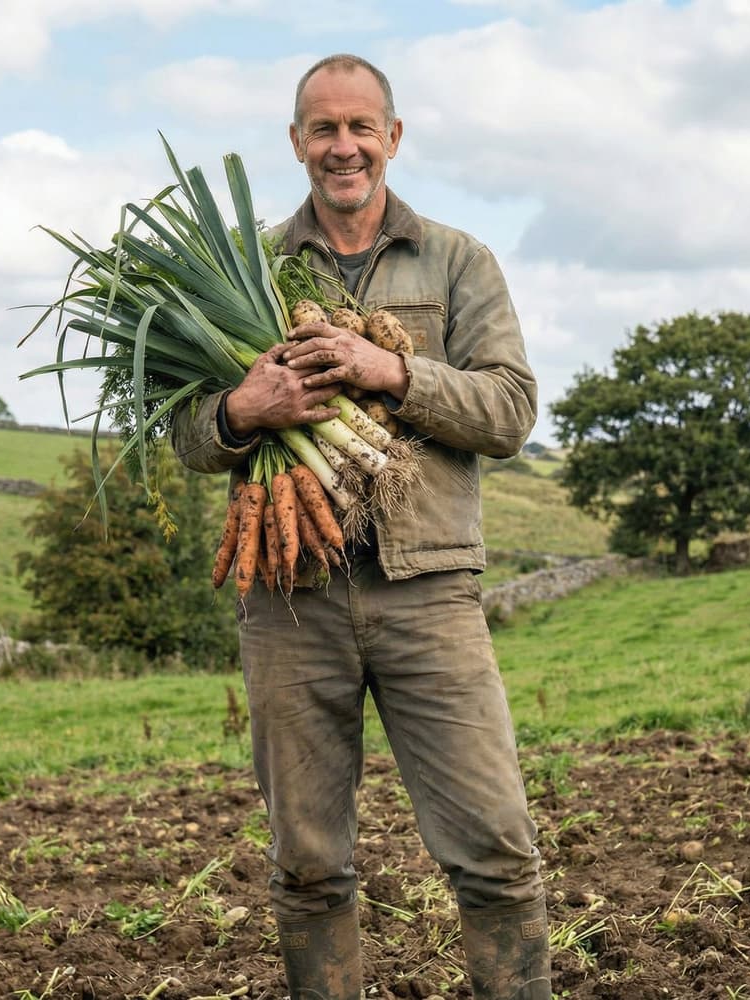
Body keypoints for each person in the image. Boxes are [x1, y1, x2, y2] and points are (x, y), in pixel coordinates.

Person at [170, 53, 550, 1000]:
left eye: (360, 128)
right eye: (324, 129)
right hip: (291, 601)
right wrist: (242, 410)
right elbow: (185, 434)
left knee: (497, 852)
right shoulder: (249, 266)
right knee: (307, 867)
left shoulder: (457, 260)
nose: (344, 148)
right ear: (296, 141)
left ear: (393, 137)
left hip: (430, 593)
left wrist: (392, 372)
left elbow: (510, 411)